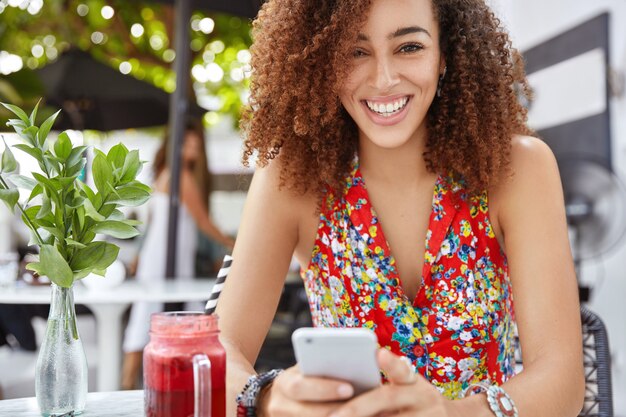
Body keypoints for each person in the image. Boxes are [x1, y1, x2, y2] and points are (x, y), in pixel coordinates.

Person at [217, 0, 585, 416]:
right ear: (322, 60)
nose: (384, 78)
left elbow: (563, 381)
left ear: (445, 52)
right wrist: (265, 397)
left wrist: (448, 414)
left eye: (409, 47)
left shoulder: (518, 169)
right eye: (356, 52)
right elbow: (217, 352)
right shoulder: (292, 179)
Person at [121, 119, 235, 390]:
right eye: (188, 143)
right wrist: (234, 245)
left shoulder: (166, 173)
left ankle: (140, 382)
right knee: (175, 316)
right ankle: (141, 383)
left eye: (196, 143)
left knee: (154, 318)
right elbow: (203, 222)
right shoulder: (180, 177)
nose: (194, 148)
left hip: (162, 257)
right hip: (164, 260)